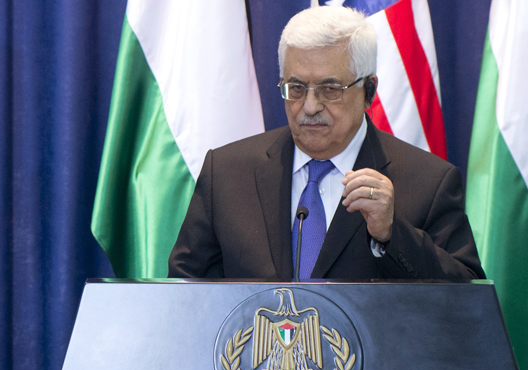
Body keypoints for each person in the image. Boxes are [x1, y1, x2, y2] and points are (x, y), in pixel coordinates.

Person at [168, 6, 485, 281]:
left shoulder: (428, 182)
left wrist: (393, 235)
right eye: (296, 88)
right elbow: (184, 295)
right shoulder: (226, 174)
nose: (309, 106)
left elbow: (465, 302)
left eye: (330, 88)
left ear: (368, 91)